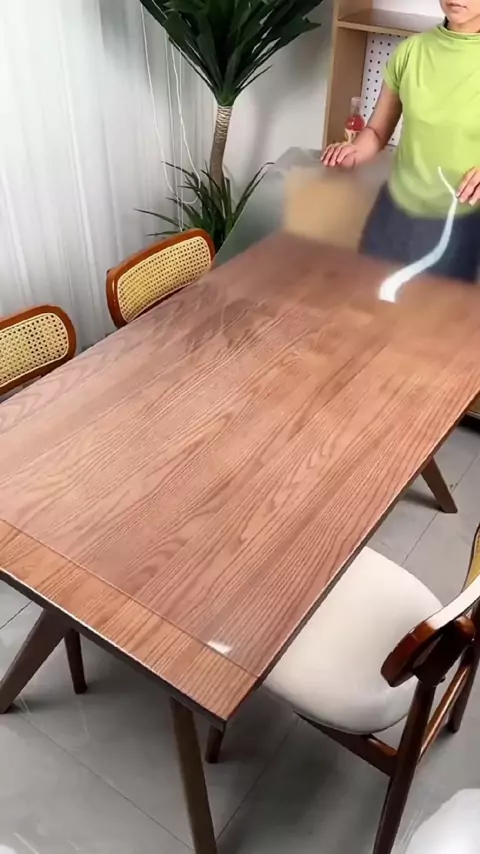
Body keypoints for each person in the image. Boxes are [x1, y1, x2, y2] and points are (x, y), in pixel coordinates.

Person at [322, 0, 480, 282]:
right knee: (363, 293)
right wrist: (353, 151)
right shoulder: (411, 51)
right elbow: (377, 132)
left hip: (458, 220)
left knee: (430, 305)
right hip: (394, 211)